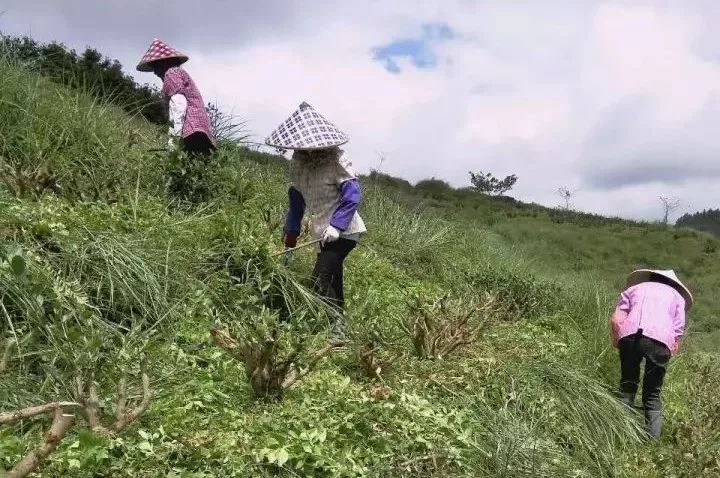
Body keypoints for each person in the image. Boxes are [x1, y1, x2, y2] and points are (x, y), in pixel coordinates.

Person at [266, 102, 366, 346]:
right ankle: (338, 327)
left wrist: (337, 225)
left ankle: (333, 331)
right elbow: (296, 204)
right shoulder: (298, 166)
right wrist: (290, 238)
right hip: (321, 233)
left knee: (320, 278)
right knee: (333, 280)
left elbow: (353, 195)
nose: (306, 150)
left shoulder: (337, 160)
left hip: (344, 231)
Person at [610, 269, 692, 439]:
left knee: (628, 384)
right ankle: (652, 443)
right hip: (660, 341)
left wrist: (619, 341)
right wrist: (670, 348)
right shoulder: (677, 297)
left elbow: (617, 319)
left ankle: (621, 433)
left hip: (631, 335)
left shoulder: (635, 289)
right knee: (652, 393)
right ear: (672, 283)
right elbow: (677, 329)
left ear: (650, 277)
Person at [136, 38, 215, 154]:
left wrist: (173, 141)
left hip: (191, 130)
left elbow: (179, 104)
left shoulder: (171, 74)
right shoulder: (178, 74)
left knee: (184, 164)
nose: (154, 72)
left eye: (155, 66)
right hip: (200, 130)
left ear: (163, 63)